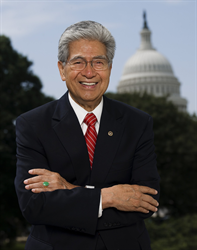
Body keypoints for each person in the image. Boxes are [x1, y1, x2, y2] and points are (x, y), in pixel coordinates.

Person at [15, 21, 160, 250]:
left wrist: (68, 190)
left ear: (110, 69)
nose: (89, 72)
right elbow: (33, 204)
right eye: (78, 62)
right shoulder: (32, 125)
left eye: (99, 62)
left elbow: (147, 202)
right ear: (62, 69)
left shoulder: (138, 123)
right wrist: (110, 197)